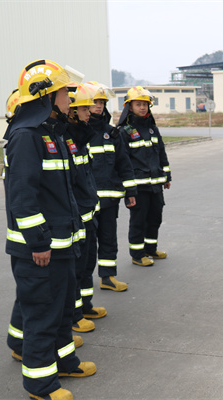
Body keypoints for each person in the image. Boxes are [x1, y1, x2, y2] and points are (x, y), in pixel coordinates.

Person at [3, 59, 95, 400]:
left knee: (61, 310)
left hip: (60, 244)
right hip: (38, 250)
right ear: (45, 96)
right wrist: (39, 242)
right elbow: (23, 199)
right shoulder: (26, 137)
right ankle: (40, 385)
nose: (70, 98)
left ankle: (65, 360)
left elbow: (64, 192)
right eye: (64, 93)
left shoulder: (52, 132)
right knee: (41, 316)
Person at [87, 81, 137, 292]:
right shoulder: (78, 133)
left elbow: (124, 165)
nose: (98, 106)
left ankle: (107, 277)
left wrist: (131, 192)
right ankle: (81, 285)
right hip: (86, 202)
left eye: (101, 102)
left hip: (109, 200)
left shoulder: (112, 134)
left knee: (108, 240)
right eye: (94, 102)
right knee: (87, 246)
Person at [65, 83, 106, 332]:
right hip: (77, 215)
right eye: (82, 109)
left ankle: (86, 304)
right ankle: (75, 313)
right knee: (76, 268)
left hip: (89, 213)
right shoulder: (67, 139)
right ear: (71, 112)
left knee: (88, 263)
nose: (89, 112)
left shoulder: (80, 138)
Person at [118, 86, 171, 267]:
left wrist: (167, 176)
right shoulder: (124, 131)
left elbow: (161, 153)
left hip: (155, 185)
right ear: (129, 107)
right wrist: (128, 189)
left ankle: (151, 249)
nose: (142, 108)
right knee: (138, 221)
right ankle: (137, 254)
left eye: (145, 105)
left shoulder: (152, 130)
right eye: (138, 104)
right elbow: (123, 162)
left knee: (155, 218)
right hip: (138, 188)